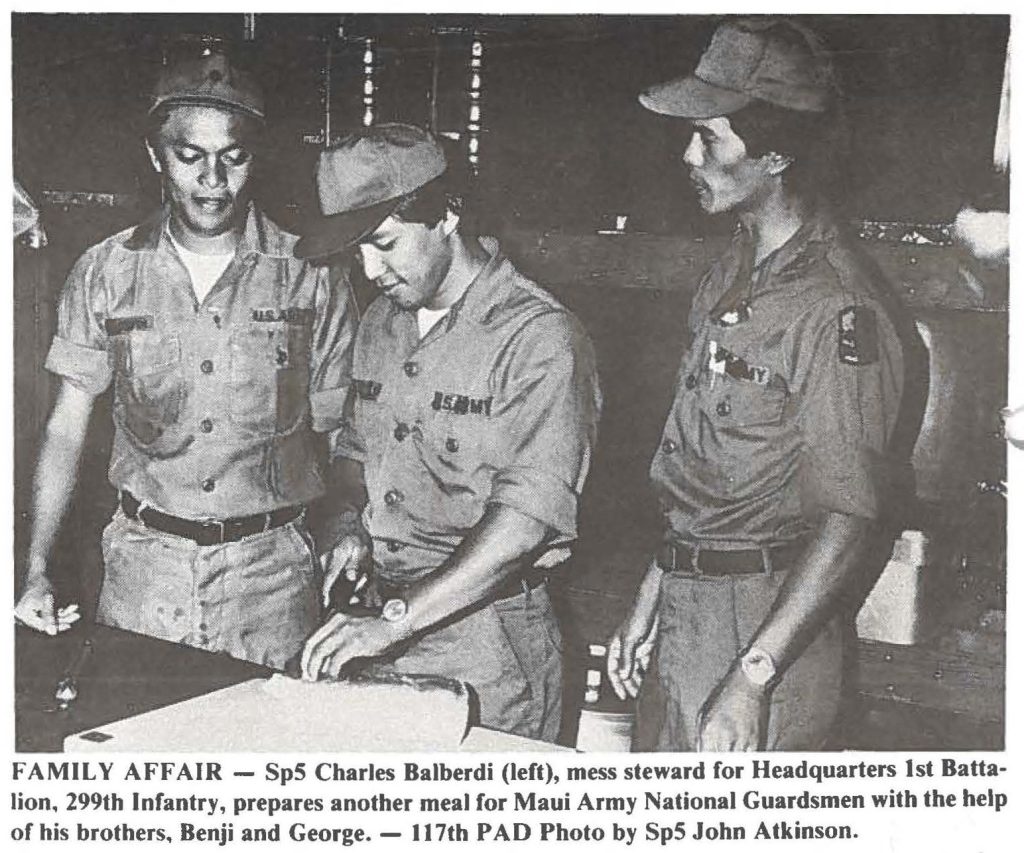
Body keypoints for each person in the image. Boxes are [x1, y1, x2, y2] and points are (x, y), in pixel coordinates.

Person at [607, 18, 911, 751]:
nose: (688, 153)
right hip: (690, 609)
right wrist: (653, 590)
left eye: (709, 138)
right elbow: (707, 467)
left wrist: (751, 677)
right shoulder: (731, 270)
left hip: (765, 630)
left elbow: (847, 520)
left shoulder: (836, 308)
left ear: (775, 151)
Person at [13, 52, 357, 670]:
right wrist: (34, 568)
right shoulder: (105, 272)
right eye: (189, 156)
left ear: (257, 157)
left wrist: (342, 538)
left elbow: (345, 435)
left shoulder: (311, 276)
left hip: (273, 585)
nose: (212, 180)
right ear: (156, 157)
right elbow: (65, 430)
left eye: (234, 156)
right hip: (144, 574)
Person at [294, 123, 600, 741]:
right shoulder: (383, 320)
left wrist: (396, 621)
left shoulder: (538, 338)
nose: (369, 269)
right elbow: (354, 453)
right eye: (355, 251)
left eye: (383, 243)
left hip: (489, 650)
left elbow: (524, 523)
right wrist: (347, 522)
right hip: (378, 626)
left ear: (448, 214)